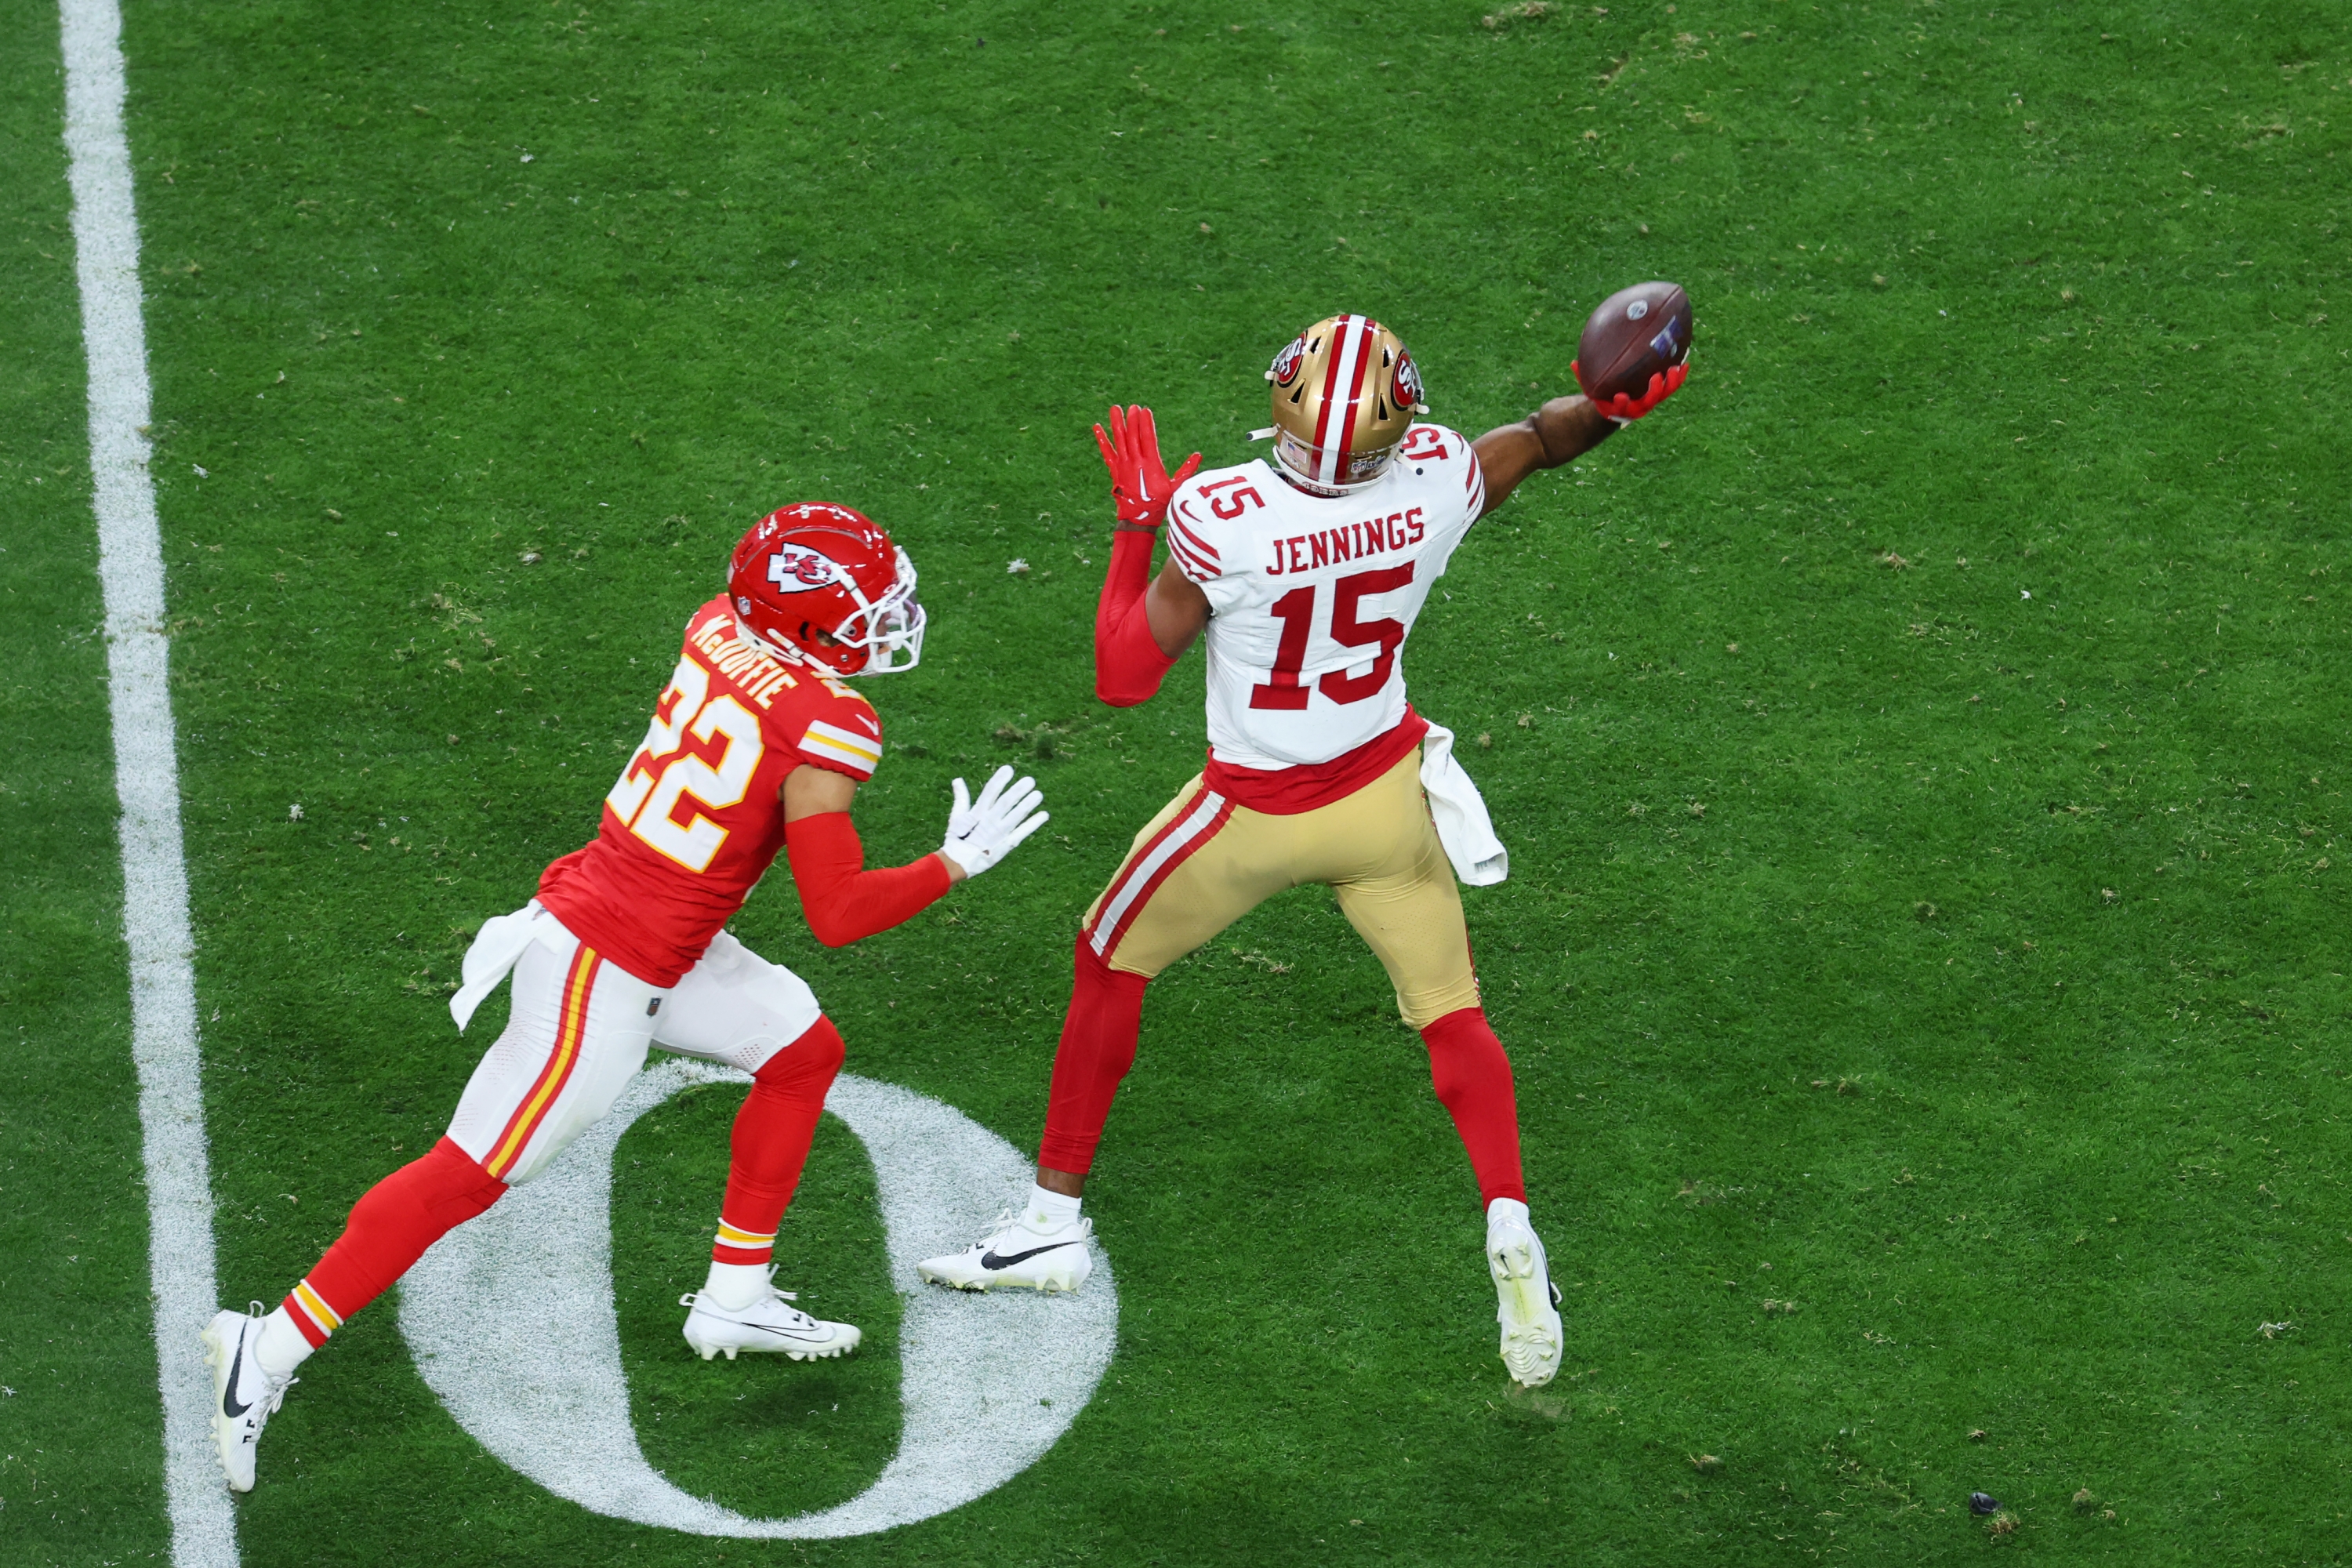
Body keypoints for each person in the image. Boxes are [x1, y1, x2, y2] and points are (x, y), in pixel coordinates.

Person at [202, 503, 1050, 1492]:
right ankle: (262, 1350)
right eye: (865, 607)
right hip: (602, 967)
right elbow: (838, 912)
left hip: (656, 928)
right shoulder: (833, 722)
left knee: (800, 1050)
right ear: (808, 624)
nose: (889, 620)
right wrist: (954, 862)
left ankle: (734, 1293)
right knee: (464, 1175)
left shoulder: (716, 623)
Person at [916, 314, 1685, 1388]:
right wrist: (1615, 406)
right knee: (1453, 1014)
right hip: (1383, 797)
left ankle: (1050, 1221)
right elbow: (1544, 438)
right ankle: (1509, 1216)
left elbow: (1123, 677)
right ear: (1401, 414)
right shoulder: (1437, 479)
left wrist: (1137, 526)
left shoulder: (1217, 515)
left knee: (1107, 960)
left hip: (1251, 815)